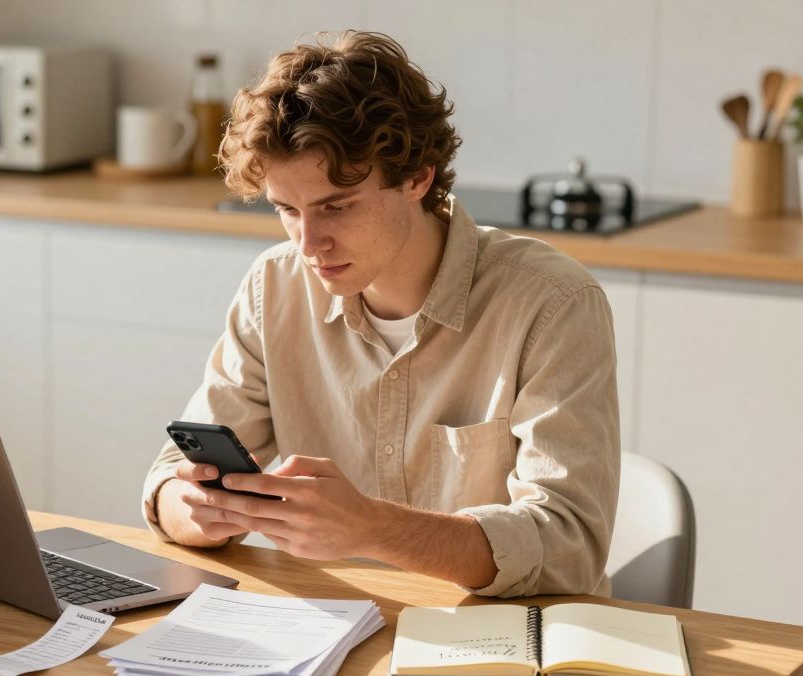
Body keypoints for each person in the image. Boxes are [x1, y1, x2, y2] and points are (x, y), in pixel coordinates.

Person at [140, 30, 620, 597]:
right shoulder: (274, 287)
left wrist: (370, 529)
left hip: (498, 645)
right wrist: (190, 508)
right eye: (287, 210)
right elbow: (170, 476)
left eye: (336, 207)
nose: (309, 242)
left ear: (417, 177)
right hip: (327, 634)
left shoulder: (551, 305)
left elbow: (568, 548)